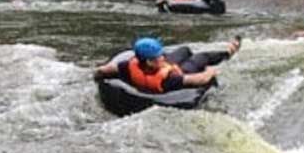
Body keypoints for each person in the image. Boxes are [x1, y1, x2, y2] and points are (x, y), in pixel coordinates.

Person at [93, 36, 242, 94]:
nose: (162, 57)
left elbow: (102, 70)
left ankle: (224, 53)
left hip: (156, 71)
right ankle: (228, 53)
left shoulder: (127, 66)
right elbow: (200, 80)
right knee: (200, 57)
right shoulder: (169, 79)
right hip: (180, 71)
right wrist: (211, 71)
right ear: (149, 60)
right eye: (158, 56)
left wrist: (97, 77)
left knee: (184, 50)